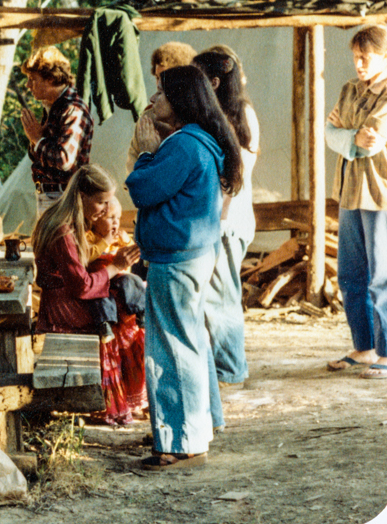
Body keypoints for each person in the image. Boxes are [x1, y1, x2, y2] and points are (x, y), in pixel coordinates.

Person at [126, 65, 243, 471]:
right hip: (193, 254)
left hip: (175, 259)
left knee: (171, 349)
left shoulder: (182, 146)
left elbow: (142, 190)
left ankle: (180, 441)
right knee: (191, 341)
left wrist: (144, 152)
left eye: (160, 94)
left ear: (178, 103)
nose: (153, 101)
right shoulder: (198, 141)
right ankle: (199, 424)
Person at [32, 164, 145, 425]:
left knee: (124, 295)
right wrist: (115, 266)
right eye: (101, 203)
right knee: (120, 314)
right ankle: (109, 400)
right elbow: (81, 286)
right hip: (62, 306)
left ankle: (126, 395)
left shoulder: (68, 221)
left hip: (64, 296)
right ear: (82, 197)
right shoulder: (63, 230)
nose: (106, 210)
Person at [324, 25, 387, 379]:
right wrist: (350, 134)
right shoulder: (349, 89)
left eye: (366, 56)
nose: (359, 63)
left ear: (386, 55)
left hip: (381, 193)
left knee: (383, 275)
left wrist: (344, 132)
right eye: (355, 56)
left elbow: (376, 138)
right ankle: (364, 346)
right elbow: (329, 132)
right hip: (350, 189)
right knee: (350, 275)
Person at [193, 47, 259, 386]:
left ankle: (230, 369)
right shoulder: (218, 114)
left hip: (227, 221)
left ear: (215, 82)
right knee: (216, 295)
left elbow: (235, 178)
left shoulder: (241, 115)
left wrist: (219, 221)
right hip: (220, 219)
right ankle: (224, 365)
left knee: (222, 296)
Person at [20, 46, 94, 215]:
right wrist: (35, 140)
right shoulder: (53, 106)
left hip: (63, 197)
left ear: (51, 79)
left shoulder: (73, 109)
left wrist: (38, 139)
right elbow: (39, 157)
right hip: (50, 195)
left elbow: (64, 160)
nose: (28, 85)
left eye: (33, 79)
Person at [126, 42, 197, 172]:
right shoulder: (149, 118)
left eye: (165, 77)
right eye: (157, 77)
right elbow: (133, 163)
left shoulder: (199, 117)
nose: (159, 83)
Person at [85, 195, 146, 338]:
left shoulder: (119, 237)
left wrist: (126, 241)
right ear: (95, 220)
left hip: (119, 278)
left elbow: (134, 258)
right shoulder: (90, 237)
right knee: (100, 297)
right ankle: (105, 324)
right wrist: (105, 242)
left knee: (133, 280)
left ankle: (141, 312)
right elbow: (88, 256)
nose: (115, 223)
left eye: (118, 218)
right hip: (99, 279)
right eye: (110, 218)